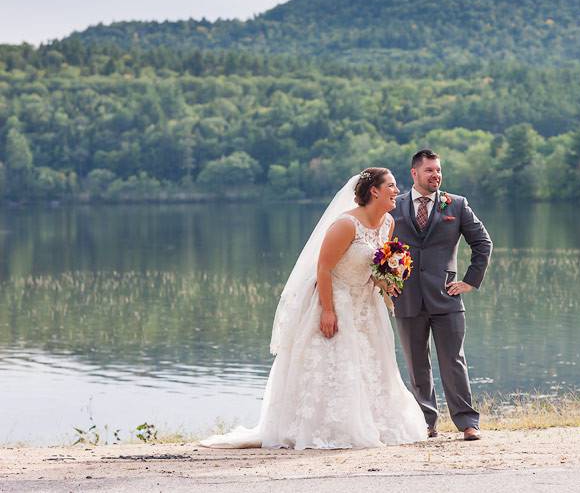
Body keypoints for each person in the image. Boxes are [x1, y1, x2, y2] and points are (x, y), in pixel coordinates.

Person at [199, 168, 428, 449]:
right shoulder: (345, 225)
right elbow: (324, 268)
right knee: (336, 362)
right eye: (391, 186)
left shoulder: (387, 223)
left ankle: (374, 422)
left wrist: (386, 281)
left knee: (371, 363)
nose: (397, 191)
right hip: (336, 298)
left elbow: (376, 264)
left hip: (366, 305)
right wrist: (328, 311)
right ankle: (325, 427)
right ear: (374, 191)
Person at [390, 149, 492, 441]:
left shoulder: (456, 205)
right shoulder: (392, 207)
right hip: (407, 297)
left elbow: (483, 242)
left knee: (453, 360)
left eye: (438, 171)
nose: (436, 175)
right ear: (414, 173)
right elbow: (377, 247)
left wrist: (470, 281)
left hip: (446, 297)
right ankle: (426, 423)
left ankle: (468, 422)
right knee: (417, 364)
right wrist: (386, 282)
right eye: (429, 171)